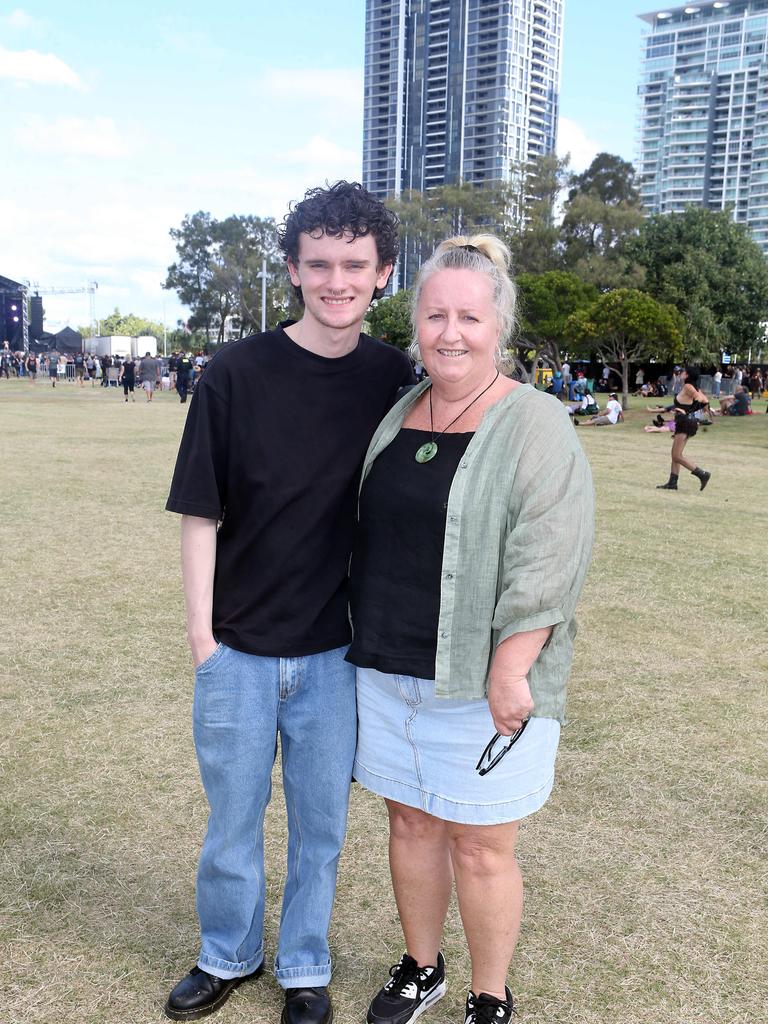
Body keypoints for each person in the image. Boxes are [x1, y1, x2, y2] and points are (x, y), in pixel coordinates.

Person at [163, 181, 414, 1024]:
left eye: (355, 263)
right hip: (236, 648)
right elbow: (202, 510)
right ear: (294, 270)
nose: (336, 280)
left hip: (337, 655)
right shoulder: (234, 373)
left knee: (321, 830)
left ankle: (306, 964)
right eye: (319, 264)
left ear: (382, 272)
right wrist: (203, 639)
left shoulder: (399, 383)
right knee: (230, 824)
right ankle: (227, 953)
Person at [346, 236, 594, 1024]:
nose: (450, 332)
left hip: (482, 682)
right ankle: (423, 967)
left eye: (469, 317)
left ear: (499, 327)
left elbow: (550, 555)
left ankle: (491, 996)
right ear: (414, 321)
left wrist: (512, 667)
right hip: (386, 665)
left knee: (482, 847)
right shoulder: (399, 410)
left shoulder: (536, 422)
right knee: (410, 821)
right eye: (435, 314)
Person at [657, 367, 711, 491]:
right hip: (684, 422)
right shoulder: (691, 386)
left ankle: (702, 474)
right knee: (675, 454)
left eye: (682, 372)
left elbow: (700, 399)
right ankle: (672, 483)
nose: (680, 373)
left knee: (676, 456)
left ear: (687, 375)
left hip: (685, 422)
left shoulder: (688, 386)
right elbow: (705, 401)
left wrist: (687, 412)